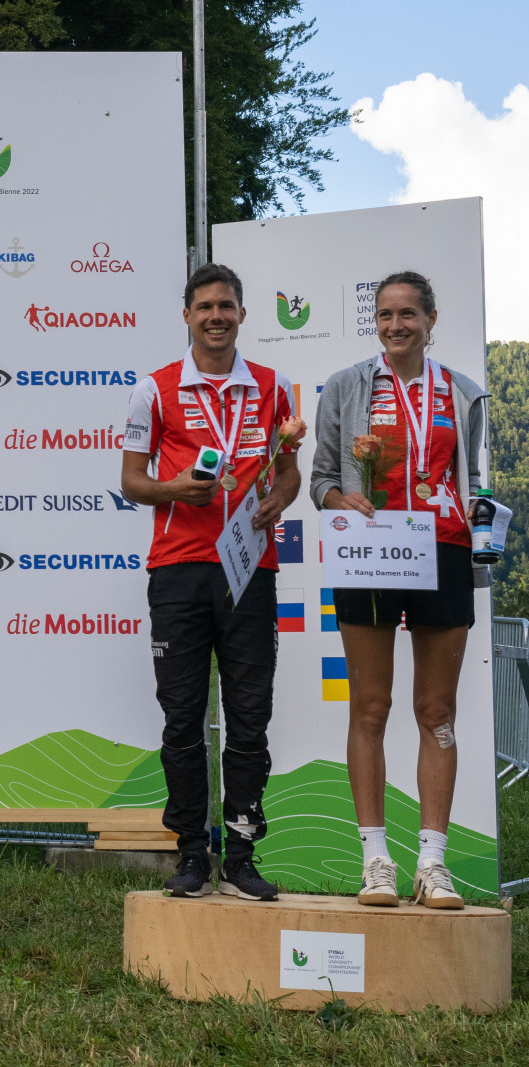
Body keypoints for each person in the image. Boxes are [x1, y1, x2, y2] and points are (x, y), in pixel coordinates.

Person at [120, 262, 302, 901]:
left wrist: (279, 498)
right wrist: (175, 489)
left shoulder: (274, 388)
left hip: (250, 569)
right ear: (187, 315)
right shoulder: (155, 389)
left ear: (243, 314)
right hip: (178, 569)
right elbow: (131, 480)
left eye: (226, 306)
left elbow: (289, 473)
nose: (216, 316)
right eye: (205, 307)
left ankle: (243, 854)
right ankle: (192, 853)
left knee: (250, 716)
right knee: (182, 717)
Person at [312, 271, 485, 909]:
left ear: (430, 320)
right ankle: (376, 861)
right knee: (370, 707)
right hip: (371, 551)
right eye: (385, 315)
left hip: (443, 549)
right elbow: (321, 479)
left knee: (437, 712)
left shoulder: (461, 392)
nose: (395, 325)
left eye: (407, 314)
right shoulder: (345, 387)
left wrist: (482, 517)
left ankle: (432, 864)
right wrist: (342, 500)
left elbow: (471, 479)